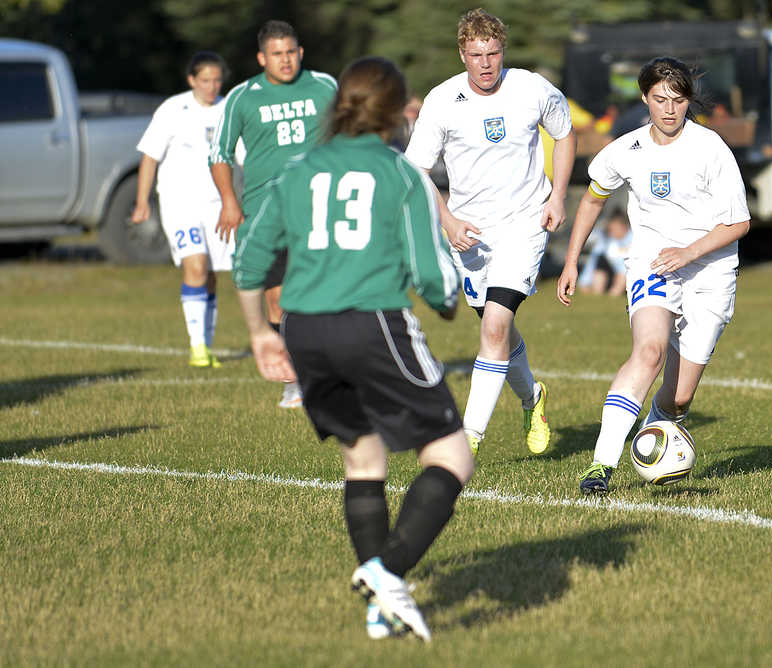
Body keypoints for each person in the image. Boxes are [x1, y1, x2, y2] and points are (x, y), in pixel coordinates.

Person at [232, 56, 475, 642]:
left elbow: (249, 260)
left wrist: (262, 334)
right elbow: (432, 274)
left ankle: (379, 612)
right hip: (372, 325)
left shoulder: (298, 168)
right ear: (394, 115)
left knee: (363, 461)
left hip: (305, 332)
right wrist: (449, 299)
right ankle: (385, 571)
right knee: (451, 456)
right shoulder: (399, 172)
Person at [557, 56, 750, 495]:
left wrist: (689, 252)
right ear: (645, 98)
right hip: (651, 263)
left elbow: (738, 223)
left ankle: (653, 440)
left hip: (710, 271)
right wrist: (572, 260)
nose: (669, 109)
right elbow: (591, 200)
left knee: (678, 399)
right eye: (660, 99)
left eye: (678, 100)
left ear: (688, 101)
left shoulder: (710, 148)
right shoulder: (625, 150)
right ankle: (601, 464)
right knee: (648, 352)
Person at [404, 7, 577, 457]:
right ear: (462, 54)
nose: (486, 63)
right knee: (499, 330)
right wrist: (447, 220)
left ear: (504, 52)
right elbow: (416, 171)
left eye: (494, 53)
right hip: (470, 233)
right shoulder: (441, 101)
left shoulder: (531, 88)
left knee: (496, 325)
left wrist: (558, 196)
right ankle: (531, 399)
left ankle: (470, 436)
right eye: (477, 54)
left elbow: (566, 134)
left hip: (525, 222)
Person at [209, 19, 337, 408]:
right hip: (265, 213)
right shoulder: (243, 97)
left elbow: (350, 135)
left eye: (291, 52)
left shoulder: (324, 86)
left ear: (301, 53)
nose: (285, 60)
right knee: (278, 300)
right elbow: (220, 154)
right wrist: (230, 202)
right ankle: (294, 375)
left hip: (319, 206)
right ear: (263, 57)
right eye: (277, 54)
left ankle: (329, 371)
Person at [132, 51, 232, 368]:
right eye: (205, 80)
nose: (211, 86)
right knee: (196, 267)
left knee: (212, 276)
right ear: (192, 80)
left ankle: (207, 345)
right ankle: (198, 348)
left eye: (216, 80)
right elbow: (150, 156)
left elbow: (242, 158)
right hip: (180, 205)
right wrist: (141, 201)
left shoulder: (229, 108)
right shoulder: (173, 109)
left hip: (218, 207)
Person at [577, 208, 631, 296]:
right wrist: (584, 282)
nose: (612, 232)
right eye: (611, 229)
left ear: (624, 227)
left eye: (615, 228)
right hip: (612, 274)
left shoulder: (635, 238)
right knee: (600, 270)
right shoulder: (605, 240)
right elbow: (593, 261)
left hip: (628, 273)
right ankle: (598, 296)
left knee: (624, 272)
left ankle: (613, 297)